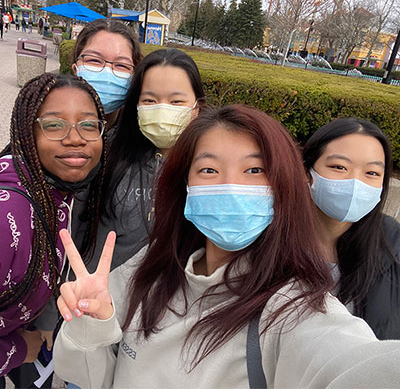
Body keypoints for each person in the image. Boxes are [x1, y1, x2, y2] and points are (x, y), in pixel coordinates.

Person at [54, 105, 400, 388]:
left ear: (283, 186)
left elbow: (350, 361)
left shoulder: (292, 309)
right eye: (208, 169)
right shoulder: (151, 267)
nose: (231, 185)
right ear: (184, 183)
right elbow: (89, 378)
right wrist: (92, 324)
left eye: (254, 169)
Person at [0, 73, 107, 388]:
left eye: (88, 125)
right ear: (26, 132)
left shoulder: (53, 194)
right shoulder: (9, 216)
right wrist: (20, 349)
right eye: (54, 124)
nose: (75, 138)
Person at [72, 48, 205, 277]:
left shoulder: (210, 170)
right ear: (137, 105)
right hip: (92, 295)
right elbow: (75, 224)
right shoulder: (109, 153)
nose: (162, 109)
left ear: (196, 107)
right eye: (150, 100)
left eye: (176, 101)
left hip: (162, 303)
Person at [303, 117, 400, 339]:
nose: (356, 182)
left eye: (372, 173)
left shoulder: (394, 246)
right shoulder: (270, 239)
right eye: (339, 167)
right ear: (307, 173)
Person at [72, 19, 142, 128]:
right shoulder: (47, 118)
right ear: (75, 68)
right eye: (94, 60)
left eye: (121, 65)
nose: (107, 73)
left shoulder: (140, 135)